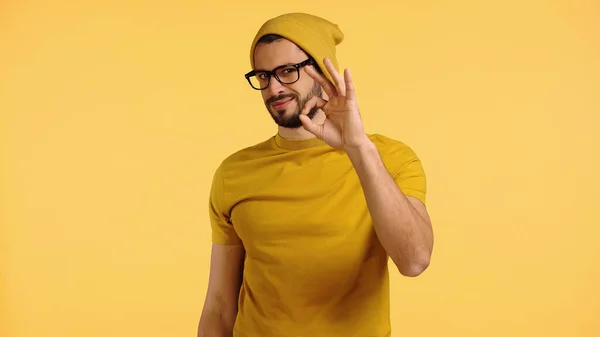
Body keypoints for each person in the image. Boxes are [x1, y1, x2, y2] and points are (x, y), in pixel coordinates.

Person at [197, 12, 434, 337]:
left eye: (287, 71)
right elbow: (220, 305)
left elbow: (415, 261)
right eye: (263, 75)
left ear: (323, 72)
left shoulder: (389, 159)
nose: (274, 87)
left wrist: (358, 149)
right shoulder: (233, 173)